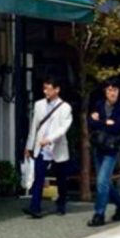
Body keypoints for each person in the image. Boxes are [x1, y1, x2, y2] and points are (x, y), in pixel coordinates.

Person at [24, 76, 73, 218]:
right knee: (38, 177)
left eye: (49, 89)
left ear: (57, 89)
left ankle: (61, 203)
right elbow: (34, 126)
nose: (46, 92)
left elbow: (63, 129)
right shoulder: (39, 105)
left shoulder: (65, 107)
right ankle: (35, 207)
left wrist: (49, 139)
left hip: (57, 147)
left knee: (61, 179)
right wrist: (30, 145)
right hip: (41, 146)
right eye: (44, 88)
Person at [87, 80, 120, 226]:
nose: (113, 93)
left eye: (115, 90)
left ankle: (99, 214)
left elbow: (117, 127)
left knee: (101, 182)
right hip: (98, 146)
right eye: (110, 90)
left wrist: (101, 121)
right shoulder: (99, 104)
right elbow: (91, 122)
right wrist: (106, 122)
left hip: (112, 148)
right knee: (104, 182)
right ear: (105, 92)